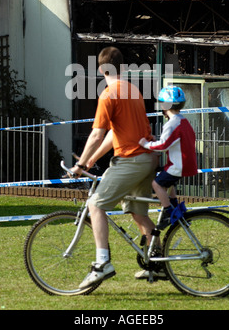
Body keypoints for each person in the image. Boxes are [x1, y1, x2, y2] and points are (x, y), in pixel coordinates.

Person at [64, 46, 158, 289]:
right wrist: (94, 158)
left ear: (100, 70)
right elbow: (115, 133)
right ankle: (156, 262)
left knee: (95, 205)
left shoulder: (108, 94)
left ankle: (103, 263)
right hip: (147, 159)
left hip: (131, 160)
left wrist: (81, 164)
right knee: (139, 212)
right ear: (123, 68)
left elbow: (97, 134)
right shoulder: (132, 90)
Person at [139, 85, 198, 230]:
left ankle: (168, 211)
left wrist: (146, 144)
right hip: (184, 163)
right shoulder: (183, 121)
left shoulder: (172, 124)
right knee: (166, 183)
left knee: (156, 184)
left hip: (178, 165)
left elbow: (163, 145)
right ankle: (176, 207)